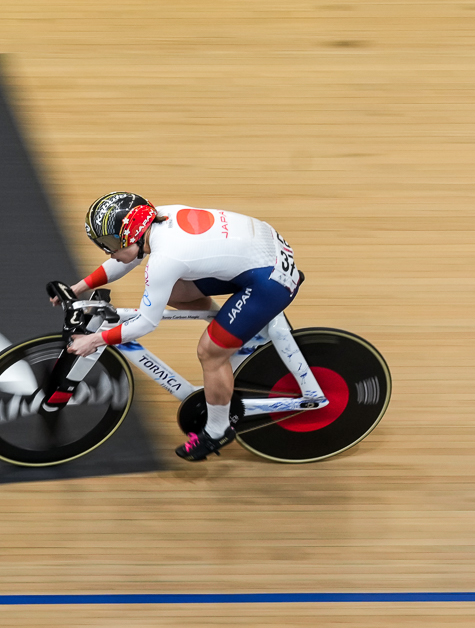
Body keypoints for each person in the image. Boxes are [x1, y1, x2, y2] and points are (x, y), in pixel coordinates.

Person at [50, 193, 302, 462]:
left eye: (110, 243)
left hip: (270, 280)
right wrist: (79, 287)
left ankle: (217, 431)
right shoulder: (156, 220)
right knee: (176, 292)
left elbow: (146, 323)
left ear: (132, 233)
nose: (108, 251)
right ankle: (236, 326)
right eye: (103, 245)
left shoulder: (165, 259)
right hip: (262, 254)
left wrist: (96, 340)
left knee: (211, 352)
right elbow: (125, 257)